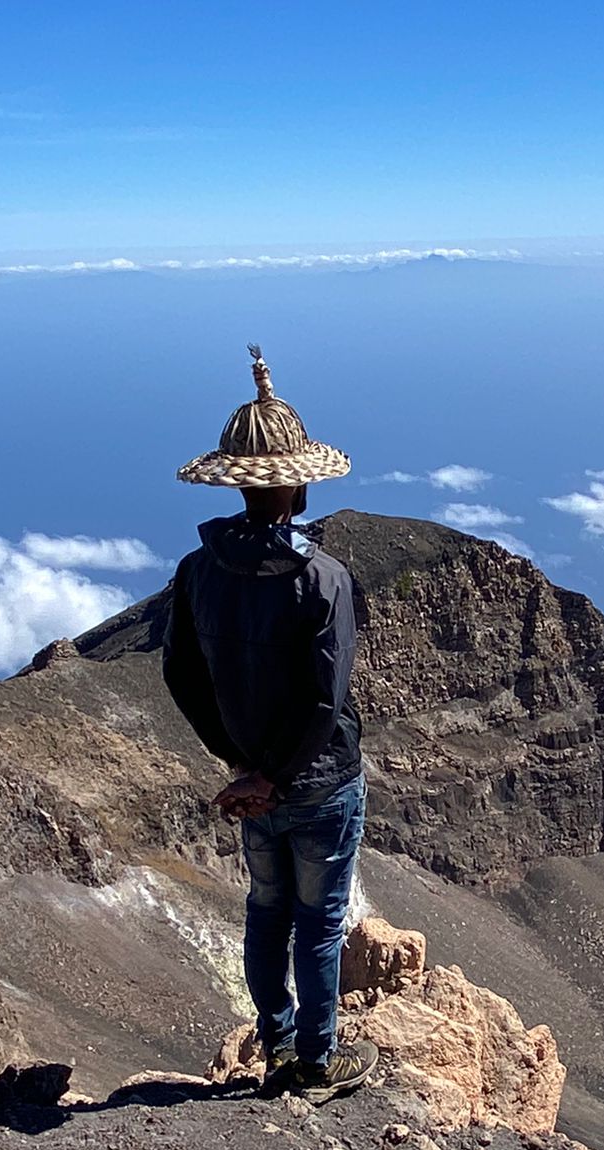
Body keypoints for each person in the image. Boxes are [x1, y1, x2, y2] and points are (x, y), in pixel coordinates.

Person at [162, 346, 378, 1103]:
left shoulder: (196, 571)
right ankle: (314, 1060)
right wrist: (278, 773)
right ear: (297, 483)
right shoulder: (322, 579)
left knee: (265, 913)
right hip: (318, 784)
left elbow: (180, 675)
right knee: (318, 924)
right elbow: (326, 699)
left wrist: (242, 762)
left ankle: (277, 1039)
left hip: (254, 782)